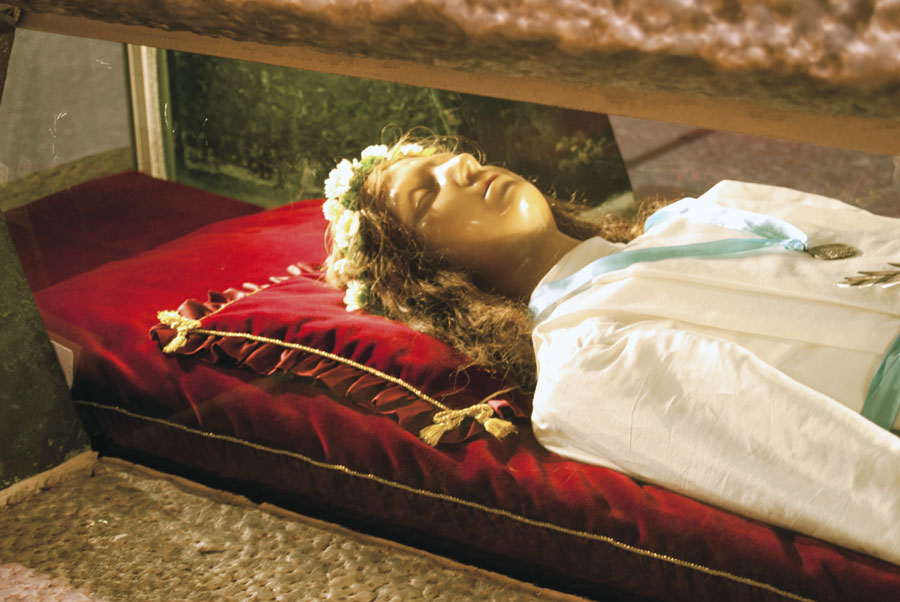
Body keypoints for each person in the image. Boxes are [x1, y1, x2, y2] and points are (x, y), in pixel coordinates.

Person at [322, 138, 900, 565]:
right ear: (424, 275)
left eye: (455, 159)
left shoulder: (710, 207)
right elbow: (799, 451)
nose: (461, 167)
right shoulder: (582, 359)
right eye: (427, 193)